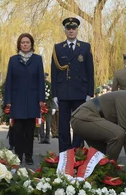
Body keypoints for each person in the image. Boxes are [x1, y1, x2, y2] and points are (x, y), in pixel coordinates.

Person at [51, 17, 94, 152]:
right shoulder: (58, 48)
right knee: (63, 126)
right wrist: (54, 94)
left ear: (77, 30)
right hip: (63, 92)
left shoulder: (85, 47)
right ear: (65, 30)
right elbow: (54, 72)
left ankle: (77, 152)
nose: (71, 31)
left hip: (80, 91)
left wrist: (89, 93)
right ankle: (64, 154)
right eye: (68, 29)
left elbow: (90, 71)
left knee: (78, 125)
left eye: (73, 28)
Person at [4, 33, 45, 165]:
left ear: (31, 44)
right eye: (23, 42)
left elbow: (40, 81)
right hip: (17, 99)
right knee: (18, 130)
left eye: (27, 42)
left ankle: (29, 156)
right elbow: (9, 81)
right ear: (19, 45)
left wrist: (41, 99)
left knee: (29, 130)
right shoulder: (13, 60)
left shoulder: (37, 59)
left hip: (33, 100)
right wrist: (8, 100)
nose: (25, 44)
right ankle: (18, 155)